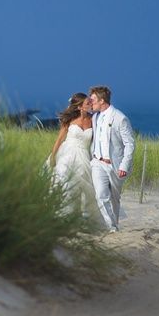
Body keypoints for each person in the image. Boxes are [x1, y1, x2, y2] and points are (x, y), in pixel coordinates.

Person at [47, 93, 103, 226]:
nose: (90, 104)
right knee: (66, 183)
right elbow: (59, 140)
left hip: (83, 157)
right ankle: (62, 216)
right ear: (79, 107)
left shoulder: (93, 120)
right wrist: (53, 156)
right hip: (67, 155)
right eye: (87, 103)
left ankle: (76, 216)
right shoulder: (69, 120)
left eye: (90, 102)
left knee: (83, 187)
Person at [88, 86, 135, 232]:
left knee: (114, 198)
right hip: (97, 162)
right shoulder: (94, 117)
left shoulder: (120, 118)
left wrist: (124, 166)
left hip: (115, 165)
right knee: (101, 195)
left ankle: (114, 224)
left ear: (102, 101)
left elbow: (130, 144)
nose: (91, 102)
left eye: (93, 99)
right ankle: (112, 227)